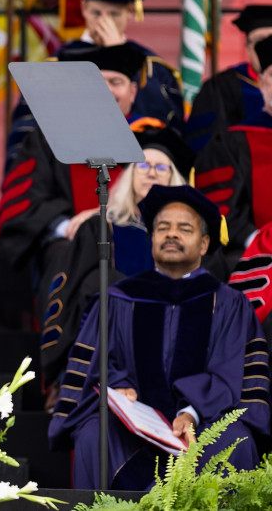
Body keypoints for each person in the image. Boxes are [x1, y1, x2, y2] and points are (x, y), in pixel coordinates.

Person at [48, 185, 270, 490]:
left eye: (185, 228)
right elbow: (96, 363)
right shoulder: (118, 298)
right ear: (151, 238)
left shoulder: (229, 303)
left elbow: (231, 371)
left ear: (204, 243)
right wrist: (118, 385)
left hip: (204, 421)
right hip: (131, 425)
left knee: (237, 439)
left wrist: (190, 413)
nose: (171, 234)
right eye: (163, 228)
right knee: (93, 434)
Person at [39, 126, 191, 391]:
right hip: (108, 350)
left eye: (162, 167)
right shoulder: (103, 228)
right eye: (143, 164)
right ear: (130, 176)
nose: (152, 172)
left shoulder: (188, 238)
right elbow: (77, 292)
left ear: (173, 179)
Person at [0, 42, 163, 273]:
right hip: (69, 248)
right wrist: (66, 227)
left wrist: (111, 220)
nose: (107, 91)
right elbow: (24, 202)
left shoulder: (156, 137)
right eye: (98, 83)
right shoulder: (48, 139)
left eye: (116, 83)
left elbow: (173, 198)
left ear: (132, 92)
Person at [5, 0, 184, 170]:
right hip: (64, 182)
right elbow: (25, 139)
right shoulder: (54, 66)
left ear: (130, 13)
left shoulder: (152, 69)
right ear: (83, 8)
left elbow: (165, 137)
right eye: (96, 13)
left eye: (114, 15)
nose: (104, 23)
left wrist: (119, 54)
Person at [193, 36, 272, 264]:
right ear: (262, 83)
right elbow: (219, 208)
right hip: (255, 260)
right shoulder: (231, 142)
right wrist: (257, 240)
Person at [185, 5, 272, 153]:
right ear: (248, 49)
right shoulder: (220, 87)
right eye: (259, 41)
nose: (267, 46)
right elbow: (206, 143)